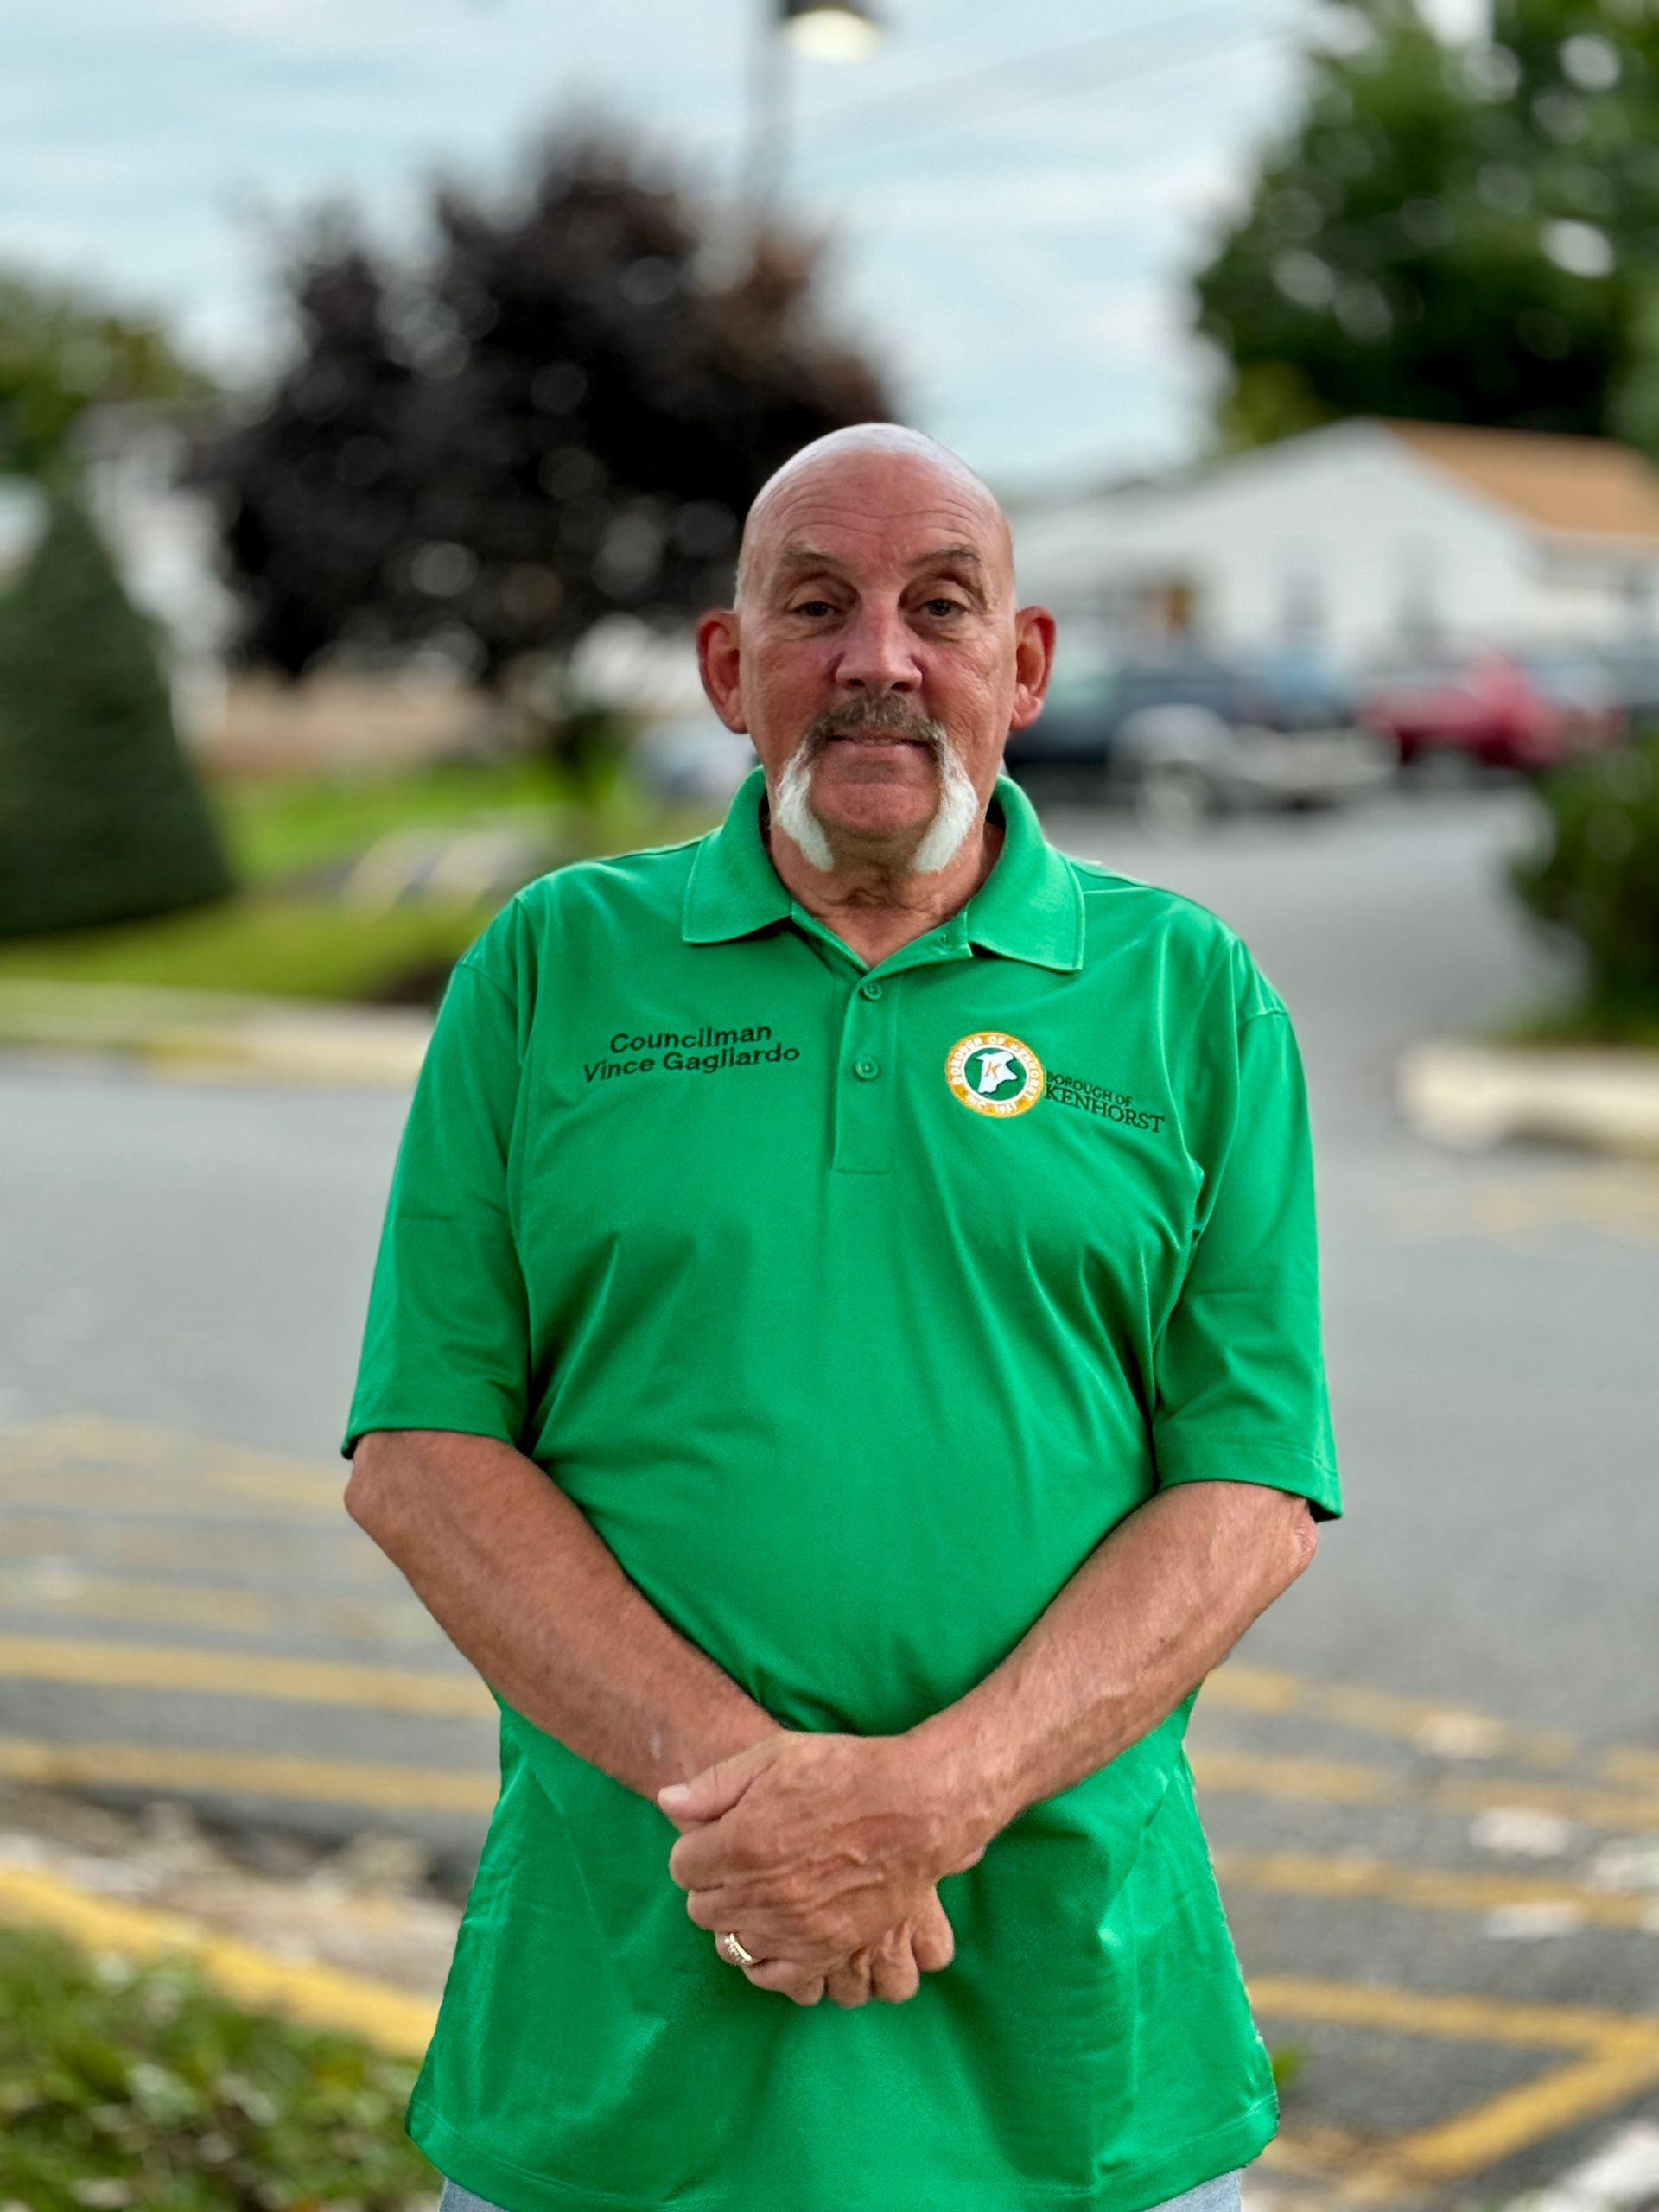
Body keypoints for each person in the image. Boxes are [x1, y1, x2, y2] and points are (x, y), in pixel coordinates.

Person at [342, 423, 1342, 2212]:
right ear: (731, 670)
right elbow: (423, 1454)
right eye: (818, 604)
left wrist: (932, 1801)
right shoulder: (553, 967)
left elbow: (1252, 1489)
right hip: (621, 2039)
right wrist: (762, 1802)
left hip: (1073, 2050)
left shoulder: (1191, 995)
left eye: (938, 604)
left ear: (1020, 667)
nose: (879, 656)